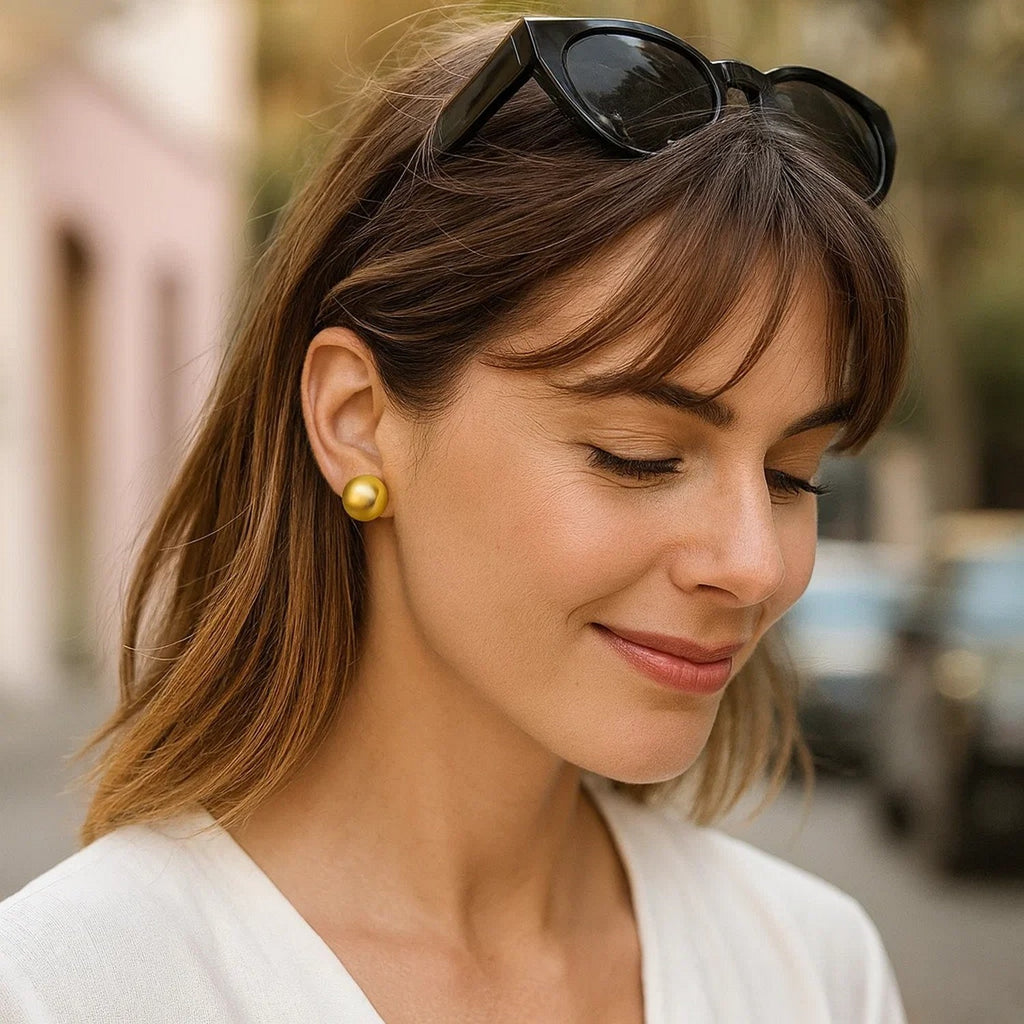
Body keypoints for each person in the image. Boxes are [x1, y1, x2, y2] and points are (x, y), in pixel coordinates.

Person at [0, 15, 910, 1023]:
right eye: (637, 456)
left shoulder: (813, 972)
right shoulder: (68, 989)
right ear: (356, 421)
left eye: (792, 475)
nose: (751, 563)